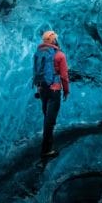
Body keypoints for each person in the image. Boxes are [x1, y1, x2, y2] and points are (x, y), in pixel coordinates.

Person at [33, 30, 70, 158]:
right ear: (54, 40)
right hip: (54, 90)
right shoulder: (60, 55)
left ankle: (47, 146)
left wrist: (38, 89)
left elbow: (37, 73)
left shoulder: (39, 54)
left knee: (47, 119)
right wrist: (66, 91)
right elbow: (64, 76)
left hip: (42, 90)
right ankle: (46, 150)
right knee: (50, 121)